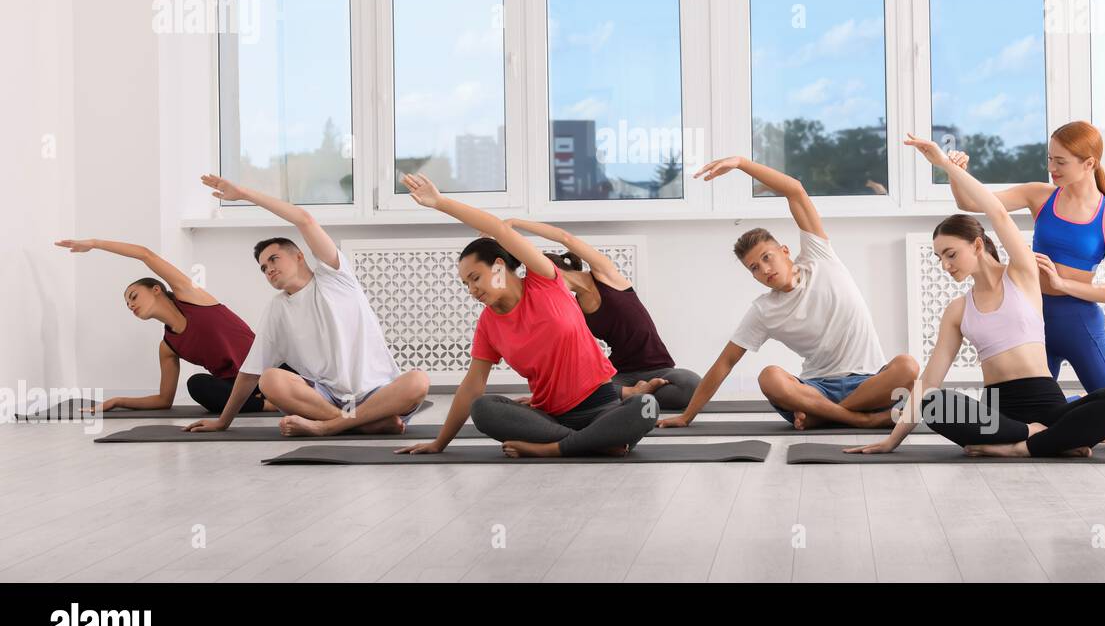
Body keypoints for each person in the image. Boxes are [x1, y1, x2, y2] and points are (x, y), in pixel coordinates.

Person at [845, 135, 1105, 458]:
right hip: (1000, 414)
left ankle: (1019, 448)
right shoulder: (958, 311)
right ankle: (1043, 439)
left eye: (950, 254)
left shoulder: (1021, 274)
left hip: (1047, 403)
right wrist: (891, 441)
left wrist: (944, 165)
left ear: (978, 246)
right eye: (939, 258)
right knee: (930, 401)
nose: (945, 265)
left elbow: (995, 210)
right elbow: (928, 380)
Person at [396, 174, 658, 459]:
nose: (472, 290)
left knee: (647, 407)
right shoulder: (488, 324)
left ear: (498, 266)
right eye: (466, 285)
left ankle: (556, 449)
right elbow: (472, 387)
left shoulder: (544, 279)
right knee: (483, 409)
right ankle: (591, 443)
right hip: (551, 420)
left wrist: (440, 202)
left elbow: (499, 229)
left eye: (475, 278)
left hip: (604, 407)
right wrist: (439, 444)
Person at [945, 120, 1105, 448]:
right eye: (1049, 159)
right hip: (1033, 326)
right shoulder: (1040, 196)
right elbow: (972, 203)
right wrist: (955, 171)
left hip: (1079, 325)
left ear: (1089, 163)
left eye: (1060, 161)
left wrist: (1063, 285)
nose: (1052, 168)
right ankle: (1078, 405)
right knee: (1025, 424)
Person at [658, 156, 919, 431]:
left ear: (784, 250)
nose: (764, 269)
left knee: (908, 366)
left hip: (869, 383)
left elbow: (794, 190)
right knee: (770, 377)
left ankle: (825, 416)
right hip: (816, 390)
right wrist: (687, 416)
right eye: (754, 268)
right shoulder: (763, 310)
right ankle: (859, 418)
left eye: (767, 257)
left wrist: (740, 164)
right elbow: (725, 363)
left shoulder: (819, 257)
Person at [181, 175, 429, 436]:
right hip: (326, 399)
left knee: (417, 381)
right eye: (263, 268)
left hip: (377, 395)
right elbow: (250, 373)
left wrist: (243, 194)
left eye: (274, 259)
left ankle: (330, 426)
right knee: (270, 380)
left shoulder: (336, 276)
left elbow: (303, 219)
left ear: (299, 256)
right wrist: (223, 421)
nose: (269, 269)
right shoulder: (277, 309)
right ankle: (358, 423)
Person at [53, 238, 274, 414]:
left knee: (283, 366)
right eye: (127, 303)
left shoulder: (191, 297)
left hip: (268, 372)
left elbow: (144, 254)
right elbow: (163, 400)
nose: (130, 305)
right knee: (197, 384)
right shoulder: (168, 347)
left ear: (156, 289)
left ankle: (275, 395)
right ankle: (267, 405)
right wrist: (118, 400)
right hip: (238, 388)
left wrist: (94, 244)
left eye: (134, 296)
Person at [501, 217, 702, 410]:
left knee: (691, 385)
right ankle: (632, 394)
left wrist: (514, 224)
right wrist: (544, 396)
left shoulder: (605, 274)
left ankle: (631, 397)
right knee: (576, 393)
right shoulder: (572, 306)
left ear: (552, 269)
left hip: (659, 368)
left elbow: (565, 238)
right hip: (619, 375)